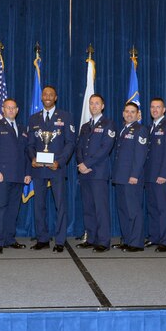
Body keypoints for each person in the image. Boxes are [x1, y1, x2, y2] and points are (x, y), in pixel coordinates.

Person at [26, 85, 76, 253]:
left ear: (55, 98)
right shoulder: (33, 119)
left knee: (60, 205)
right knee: (39, 205)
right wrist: (33, 158)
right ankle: (42, 238)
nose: (47, 97)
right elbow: (30, 144)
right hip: (39, 168)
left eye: (51, 94)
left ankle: (60, 240)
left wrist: (60, 162)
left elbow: (70, 143)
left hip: (57, 168)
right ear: (41, 98)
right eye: (45, 94)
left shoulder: (66, 116)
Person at [0, 98, 31, 253]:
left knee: (13, 209)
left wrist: (27, 172)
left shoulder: (22, 128)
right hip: (2, 175)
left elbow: (26, 153)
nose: (11, 110)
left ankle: (9, 239)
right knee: (0, 208)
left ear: (17, 110)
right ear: (3, 110)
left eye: (13, 108)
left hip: (19, 176)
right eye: (8, 108)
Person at [76, 94, 116, 252]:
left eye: (97, 103)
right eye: (91, 103)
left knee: (101, 208)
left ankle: (103, 241)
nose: (93, 106)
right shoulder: (85, 126)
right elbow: (79, 148)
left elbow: (105, 148)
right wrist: (80, 164)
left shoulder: (109, 124)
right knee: (88, 208)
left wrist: (87, 163)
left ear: (103, 106)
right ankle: (91, 238)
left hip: (98, 173)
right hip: (84, 173)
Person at [112, 102, 149, 252]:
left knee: (133, 210)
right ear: (123, 113)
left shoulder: (140, 130)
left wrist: (134, 175)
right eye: (127, 111)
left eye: (132, 112)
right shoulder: (123, 130)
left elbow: (140, 156)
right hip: (120, 177)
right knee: (123, 210)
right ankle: (127, 239)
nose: (129, 114)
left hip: (131, 178)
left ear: (138, 114)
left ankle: (136, 242)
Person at [143, 98, 166, 252]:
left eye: (158, 107)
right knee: (152, 208)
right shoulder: (150, 127)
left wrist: (164, 174)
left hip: (161, 176)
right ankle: (154, 237)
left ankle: (165, 240)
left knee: (163, 208)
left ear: (164, 110)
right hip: (150, 176)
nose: (155, 110)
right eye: (152, 107)